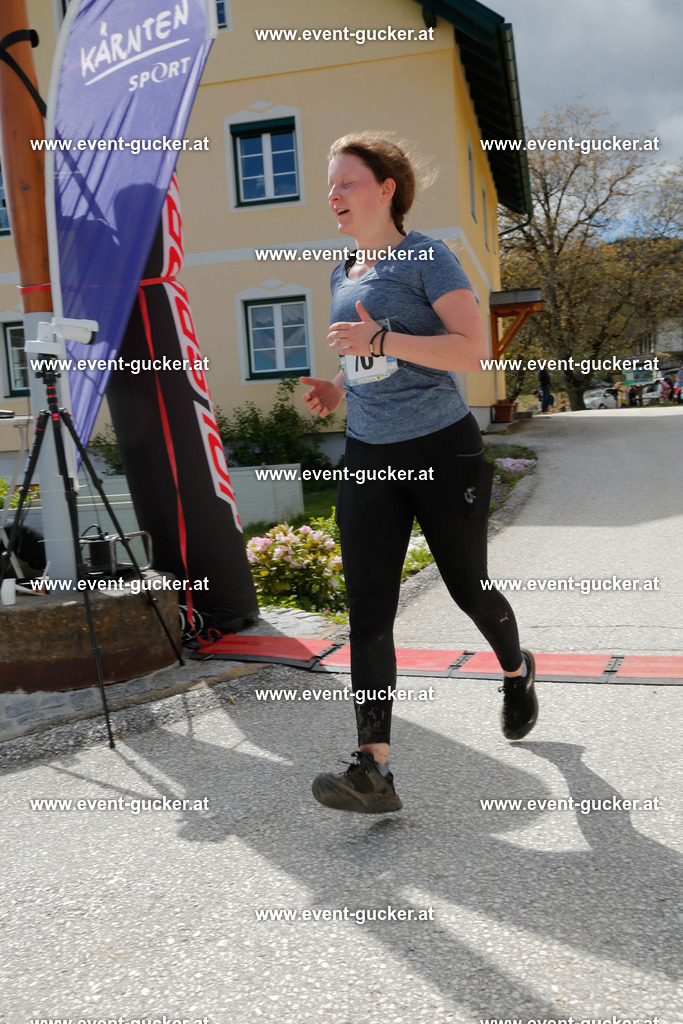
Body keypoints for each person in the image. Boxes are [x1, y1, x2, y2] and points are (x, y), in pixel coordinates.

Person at [299, 132, 537, 814]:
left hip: (442, 450)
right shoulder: (340, 270)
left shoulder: (428, 258)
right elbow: (365, 356)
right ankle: (373, 770)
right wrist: (340, 387)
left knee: (469, 589)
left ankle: (516, 673)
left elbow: (471, 354)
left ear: (386, 189)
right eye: (330, 183)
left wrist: (380, 338)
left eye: (346, 182)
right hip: (369, 453)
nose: (333, 195)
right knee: (368, 610)